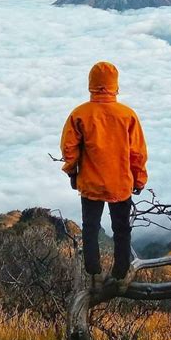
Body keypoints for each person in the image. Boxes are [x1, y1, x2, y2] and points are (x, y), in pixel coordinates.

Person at [60, 61, 148, 290]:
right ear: (115, 86)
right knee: (122, 229)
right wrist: (139, 179)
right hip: (120, 182)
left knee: (90, 228)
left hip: (91, 182)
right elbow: (137, 152)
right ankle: (120, 276)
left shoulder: (79, 114)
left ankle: (94, 276)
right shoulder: (127, 115)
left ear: (91, 84)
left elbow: (69, 148)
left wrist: (72, 172)